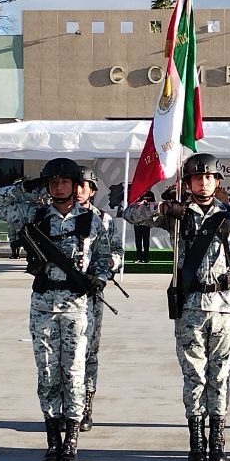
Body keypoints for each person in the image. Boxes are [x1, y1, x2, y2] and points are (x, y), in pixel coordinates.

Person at [125, 153, 230, 461]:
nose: (203, 182)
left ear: (217, 181)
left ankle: (218, 443)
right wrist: (162, 208)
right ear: (187, 183)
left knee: (221, 376)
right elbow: (130, 214)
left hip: (225, 308)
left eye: (209, 177)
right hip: (190, 309)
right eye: (197, 178)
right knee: (194, 377)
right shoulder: (177, 215)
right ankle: (197, 443)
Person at [0, 158, 113, 461]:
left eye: (64, 181)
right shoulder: (34, 214)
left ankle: (70, 441)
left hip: (76, 305)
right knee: (47, 372)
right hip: (43, 303)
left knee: (73, 371)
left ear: (75, 185)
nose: (58, 187)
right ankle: (52, 442)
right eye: (52, 182)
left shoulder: (91, 220)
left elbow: (104, 258)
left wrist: (99, 276)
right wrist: (29, 186)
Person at [73, 165, 124, 431]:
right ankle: (67, 406)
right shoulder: (58, 216)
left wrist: (102, 272)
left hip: (92, 295)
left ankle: (86, 405)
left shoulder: (103, 220)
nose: (78, 189)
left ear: (92, 190)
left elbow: (117, 252)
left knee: (89, 352)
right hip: (62, 296)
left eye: (83, 185)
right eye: (75, 184)